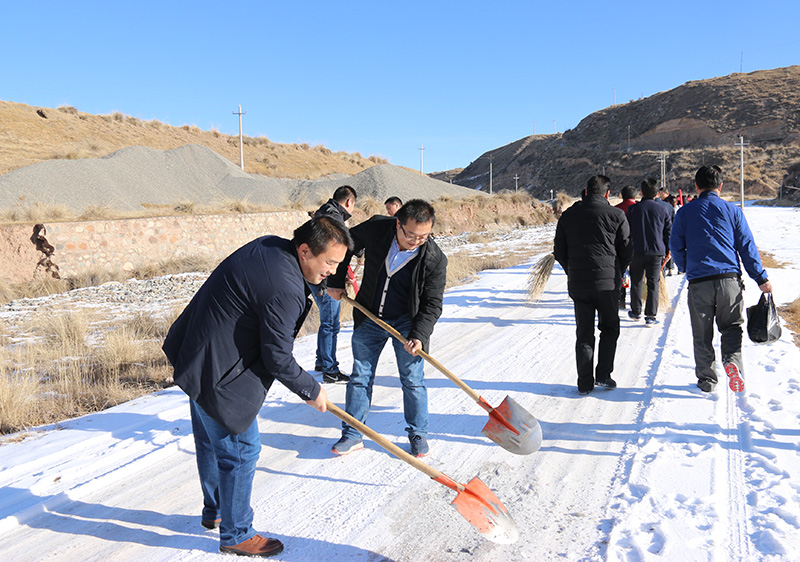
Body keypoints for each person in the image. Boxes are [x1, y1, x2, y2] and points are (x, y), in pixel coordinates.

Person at [162, 217, 352, 557]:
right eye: (330, 263)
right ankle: (236, 533)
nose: (332, 271)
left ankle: (217, 509)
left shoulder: (272, 246)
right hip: (219, 371)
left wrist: (324, 284)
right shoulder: (284, 288)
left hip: (196, 351)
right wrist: (311, 390)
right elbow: (277, 357)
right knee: (241, 450)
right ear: (305, 251)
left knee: (210, 441)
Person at [327, 199, 447, 457]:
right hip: (369, 315)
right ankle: (353, 433)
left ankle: (418, 433)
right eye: (411, 235)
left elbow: (432, 304)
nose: (416, 241)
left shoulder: (434, 258)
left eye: (423, 236)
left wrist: (419, 335)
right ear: (398, 224)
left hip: (406, 323)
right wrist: (336, 280)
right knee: (360, 376)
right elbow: (344, 243)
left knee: (412, 379)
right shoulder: (377, 228)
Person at [670, 165, 773, 393]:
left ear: (696, 186)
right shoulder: (733, 211)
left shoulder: (685, 212)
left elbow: (675, 245)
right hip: (729, 280)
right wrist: (760, 278)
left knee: (702, 333)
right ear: (721, 186)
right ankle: (732, 361)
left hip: (699, 283)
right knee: (732, 326)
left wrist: (686, 267)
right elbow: (746, 247)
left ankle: (707, 379)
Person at [554, 175, 632, 395]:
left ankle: (584, 383)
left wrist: (572, 271)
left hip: (579, 284)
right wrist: (618, 271)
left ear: (586, 192)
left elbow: (559, 251)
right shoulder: (617, 215)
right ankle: (604, 375)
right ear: (607, 194)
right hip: (608, 283)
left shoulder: (569, 215)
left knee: (584, 333)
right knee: (610, 328)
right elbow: (627, 250)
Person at [312, 185, 358, 383]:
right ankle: (330, 370)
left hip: (316, 275)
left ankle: (321, 361)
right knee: (331, 324)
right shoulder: (333, 218)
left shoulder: (324, 212)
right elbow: (342, 244)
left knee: (326, 321)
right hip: (326, 279)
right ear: (349, 202)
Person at [626, 178, 673, 325]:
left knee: (636, 281)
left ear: (641, 192)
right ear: (657, 193)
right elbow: (668, 232)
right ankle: (651, 316)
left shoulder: (632, 209)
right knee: (653, 283)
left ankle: (636, 311)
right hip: (656, 251)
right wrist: (668, 251)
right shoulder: (663, 209)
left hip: (636, 251)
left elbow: (626, 233)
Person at [615, 186, 637, 309]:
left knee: (621, 272)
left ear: (622, 196)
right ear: (635, 196)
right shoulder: (639, 208)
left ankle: (621, 299)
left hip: (620, 245)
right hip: (637, 245)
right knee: (637, 275)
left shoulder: (616, 209)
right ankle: (636, 301)